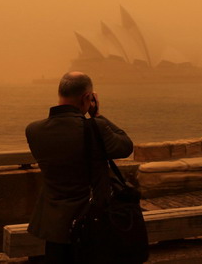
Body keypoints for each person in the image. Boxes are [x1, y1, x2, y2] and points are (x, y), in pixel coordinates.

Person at [26, 71, 134, 264]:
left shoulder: (33, 130)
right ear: (87, 97)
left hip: (54, 227)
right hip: (91, 224)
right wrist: (97, 115)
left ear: (60, 93)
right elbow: (126, 145)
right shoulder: (94, 128)